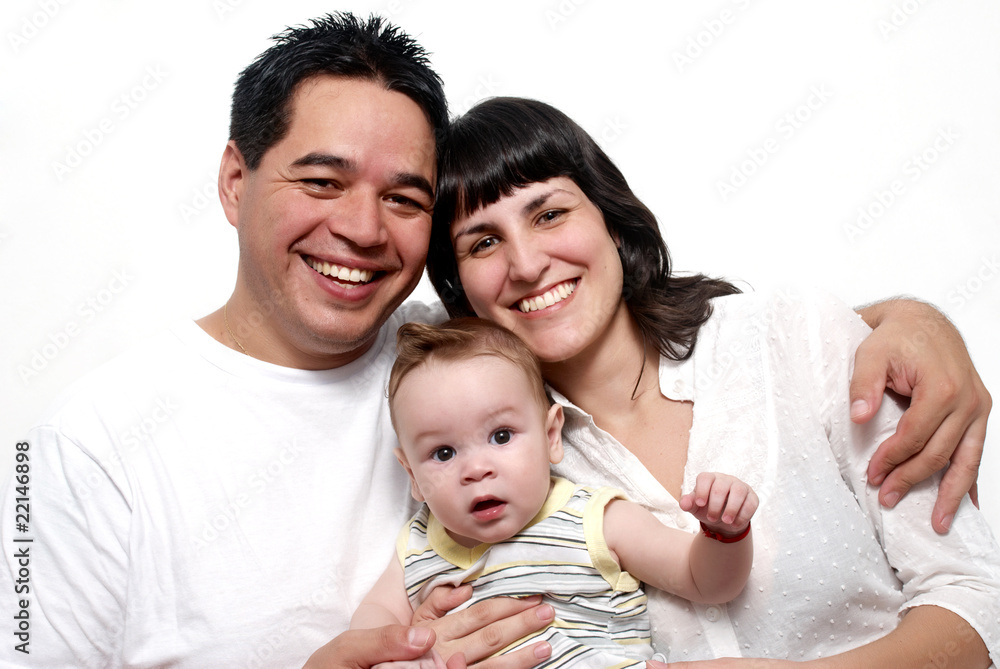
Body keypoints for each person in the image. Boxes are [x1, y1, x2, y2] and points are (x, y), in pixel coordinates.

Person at [0, 12, 990, 669]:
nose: (358, 228)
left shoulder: (484, 370)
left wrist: (915, 319)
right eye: (319, 179)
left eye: (400, 199)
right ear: (233, 181)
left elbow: (972, 594)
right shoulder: (99, 438)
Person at [423, 96, 1000, 666]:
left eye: (549, 214)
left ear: (611, 222)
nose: (525, 265)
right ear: (460, 291)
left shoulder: (791, 337)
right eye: (484, 243)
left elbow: (976, 601)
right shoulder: (475, 463)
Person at [351, 318, 758, 668]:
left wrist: (723, 532)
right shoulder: (417, 547)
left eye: (501, 435)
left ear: (551, 436)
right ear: (413, 476)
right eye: (443, 453)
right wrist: (397, 654)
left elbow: (704, 581)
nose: (476, 469)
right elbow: (374, 619)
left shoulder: (594, 519)